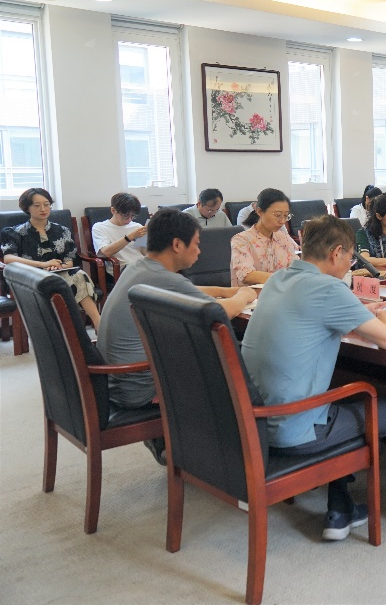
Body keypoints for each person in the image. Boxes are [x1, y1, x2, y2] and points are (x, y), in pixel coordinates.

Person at [241, 215, 386, 541]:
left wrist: (356, 315)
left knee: (342, 400)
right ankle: (340, 502)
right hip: (292, 429)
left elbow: (308, 322)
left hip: (253, 421)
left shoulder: (277, 280)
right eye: (350, 257)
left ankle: (340, 506)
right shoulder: (329, 288)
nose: (349, 265)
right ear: (336, 253)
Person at [96, 208, 256, 463]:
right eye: (197, 244)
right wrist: (245, 295)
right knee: (230, 363)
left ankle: (171, 442)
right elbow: (219, 312)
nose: (199, 251)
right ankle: (233, 453)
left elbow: (187, 289)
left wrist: (227, 291)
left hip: (118, 381)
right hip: (141, 386)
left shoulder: (140, 267)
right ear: (177, 245)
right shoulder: (164, 278)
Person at [1, 187, 101, 329]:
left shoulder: (62, 231)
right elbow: (9, 258)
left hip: (58, 275)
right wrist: (43, 265)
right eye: (37, 205)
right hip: (28, 277)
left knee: (79, 275)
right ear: (27, 208)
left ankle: (98, 323)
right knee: (73, 280)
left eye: (47, 204)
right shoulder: (14, 232)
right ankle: (84, 327)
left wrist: (58, 266)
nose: (43, 209)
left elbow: (69, 261)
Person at [230, 188, 300, 286]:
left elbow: (296, 268)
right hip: (251, 294)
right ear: (259, 211)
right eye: (277, 215)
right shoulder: (241, 240)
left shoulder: (283, 238)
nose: (282, 221)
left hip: (281, 292)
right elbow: (246, 275)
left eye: (286, 216)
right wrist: (283, 278)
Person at [92, 192, 147, 274]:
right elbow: (106, 252)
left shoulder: (137, 227)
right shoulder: (100, 227)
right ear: (113, 210)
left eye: (132, 216)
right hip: (123, 267)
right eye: (125, 216)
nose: (129, 220)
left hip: (142, 264)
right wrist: (130, 237)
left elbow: (145, 253)